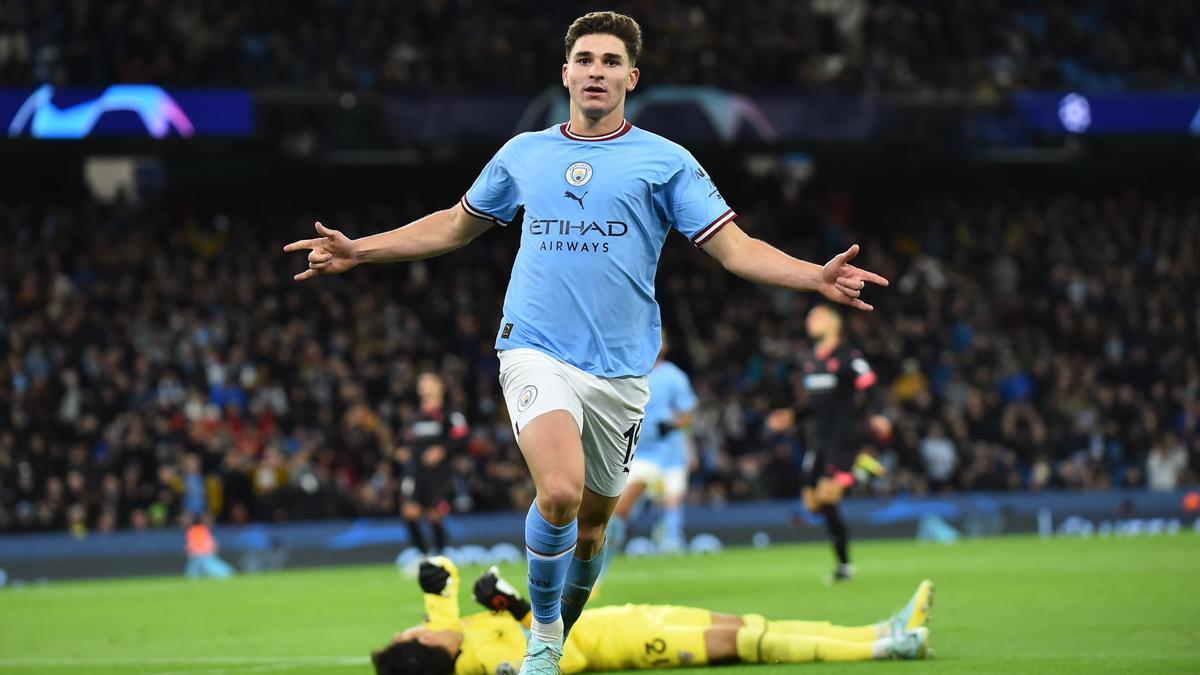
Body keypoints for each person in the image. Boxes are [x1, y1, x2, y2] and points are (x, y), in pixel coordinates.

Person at [285, 11, 888, 673]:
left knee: (594, 526)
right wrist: (359, 250)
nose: (596, 71)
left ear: (631, 76)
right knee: (562, 493)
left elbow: (735, 250)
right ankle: (544, 637)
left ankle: (559, 627)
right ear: (565, 72)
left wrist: (813, 275)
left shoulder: (667, 162)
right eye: (585, 59)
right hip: (534, 347)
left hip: (622, 372)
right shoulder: (523, 154)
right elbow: (456, 226)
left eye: (610, 61)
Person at [370, 557, 932, 674]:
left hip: (634, 615)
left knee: (758, 626)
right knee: (758, 642)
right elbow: (570, 655)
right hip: (639, 644)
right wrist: (517, 606)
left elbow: (439, 584)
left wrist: (439, 576)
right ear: (427, 650)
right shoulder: (488, 663)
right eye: (412, 632)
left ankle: (884, 629)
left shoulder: (453, 636)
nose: (416, 624)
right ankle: (888, 648)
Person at [795, 305, 890, 584]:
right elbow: (815, 405)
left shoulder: (849, 356)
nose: (809, 320)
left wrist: (879, 414)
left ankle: (859, 469)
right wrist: (791, 415)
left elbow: (872, 389)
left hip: (843, 437)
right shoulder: (809, 360)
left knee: (828, 495)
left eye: (815, 316)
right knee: (814, 504)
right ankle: (844, 566)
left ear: (832, 323)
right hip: (818, 440)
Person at [607, 331, 697, 561]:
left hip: (669, 451)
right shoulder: (629, 374)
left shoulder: (674, 376)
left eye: (662, 339)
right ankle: (606, 547)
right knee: (622, 506)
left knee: (672, 498)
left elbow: (688, 414)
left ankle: (671, 544)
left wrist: (672, 427)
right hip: (638, 452)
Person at [398, 372, 470, 555]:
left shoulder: (449, 413)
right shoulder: (415, 415)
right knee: (409, 512)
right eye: (421, 381)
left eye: (427, 381)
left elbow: (462, 435)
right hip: (416, 472)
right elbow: (410, 438)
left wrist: (442, 449)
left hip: (439, 473)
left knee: (433, 515)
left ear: (439, 386)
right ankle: (422, 555)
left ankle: (439, 555)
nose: (423, 385)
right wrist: (406, 450)